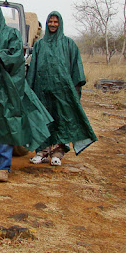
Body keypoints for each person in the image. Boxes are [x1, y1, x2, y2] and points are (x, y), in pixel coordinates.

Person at [0, 2, 52, 182]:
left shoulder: (11, 34)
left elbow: (17, 59)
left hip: (6, 89)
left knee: (6, 125)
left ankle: (4, 168)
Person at [26, 11, 97, 165]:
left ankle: (58, 153)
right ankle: (42, 152)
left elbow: (76, 69)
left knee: (62, 121)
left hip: (63, 93)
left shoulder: (69, 44)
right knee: (44, 120)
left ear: (60, 24)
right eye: (50, 21)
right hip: (42, 92)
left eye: (55, 22)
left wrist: (75, 92)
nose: (52, 24)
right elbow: (33, 69)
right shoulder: (40, 45)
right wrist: (30, 89)